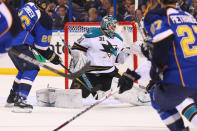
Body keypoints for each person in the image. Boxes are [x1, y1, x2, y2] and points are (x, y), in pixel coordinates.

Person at [118, 0, 197, 130]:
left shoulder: (159, 19)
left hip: (183, 78)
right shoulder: (189, 17)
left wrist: (152, 73)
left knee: (161, 97)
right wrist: (134, 75)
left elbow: (161, 50)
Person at [5, 0, 62, 113]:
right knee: (32, 68)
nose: (53, 10)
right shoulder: (45, 19)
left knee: (24, 68)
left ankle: (12, 97)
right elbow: (41, 48)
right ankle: (20, 101)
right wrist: (54, 57)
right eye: (52, 7)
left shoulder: (29, 4)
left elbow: (30, 29)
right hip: (19, 43)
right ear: (44, 5)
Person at [69, 15, 130, 98]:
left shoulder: (118, 39)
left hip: (108, 75)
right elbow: (76, 48)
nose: (114, 28)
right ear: (105, 25)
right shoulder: (92, 34)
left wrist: (126, 52)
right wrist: (77, 60)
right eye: (111, 25)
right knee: (72, 98)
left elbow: (119, 60)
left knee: (126, 91)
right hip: (88, 74)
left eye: (114, 26)